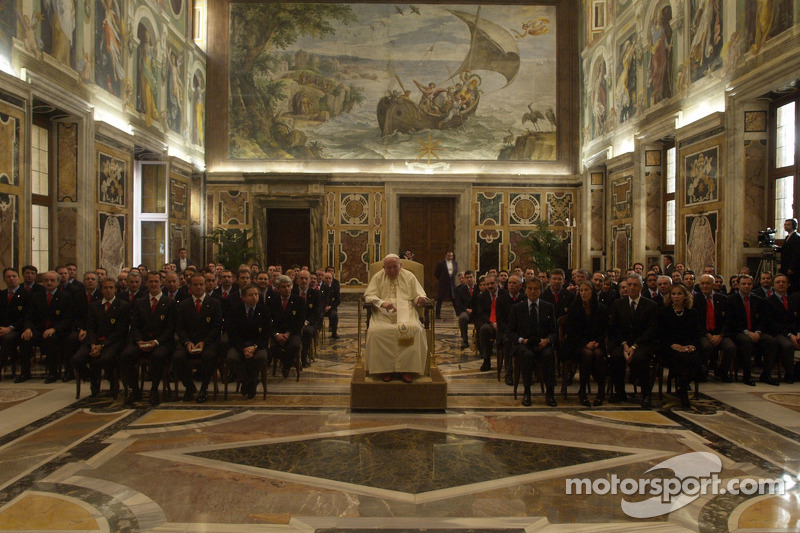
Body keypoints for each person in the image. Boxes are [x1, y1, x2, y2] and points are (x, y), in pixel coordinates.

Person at [363, 254, 428, 383]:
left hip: (406, 311)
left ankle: (406, 369)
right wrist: (382, 303)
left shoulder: (409, 276)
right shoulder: (378, 277)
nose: (392, 271)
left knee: (415, 329)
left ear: (400, 266)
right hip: (382, 313)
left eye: (394, 267)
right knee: (376, 332)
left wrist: (419, 299)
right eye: (388, 268)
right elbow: (369, 295)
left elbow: (418, 295)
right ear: (383, 267)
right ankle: (386, 369)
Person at [119, 272, 176, 406]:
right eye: (151, 281)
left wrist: (156, 342)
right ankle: (135, 389)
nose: (154, 284)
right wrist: (139, 341)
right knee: (125, 355)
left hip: (162, 342)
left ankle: (154, 390)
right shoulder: (140, 302)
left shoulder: (169, 303)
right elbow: (135, 326)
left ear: (161, 283)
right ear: (146, 283)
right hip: (142, 341)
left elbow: (170, 329)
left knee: (157, 356)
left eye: (156, 281)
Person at [71, 278, 131, 397]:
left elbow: (120, 330)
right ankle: (90, 377)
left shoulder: (123, 306)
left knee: (106, 358)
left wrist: (102, 346)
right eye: (105, 288)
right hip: (94, 341)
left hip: (113, 342)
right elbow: (91, 327)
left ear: (115, 289)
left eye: (111, 288)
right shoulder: (94, 306)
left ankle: (112, 381)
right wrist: (93, 344)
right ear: (101, 290)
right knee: (77, 359)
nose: (108, 290)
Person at [608, 273, 659, 408]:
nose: (631, 288)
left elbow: (651, 330)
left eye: (634, 285)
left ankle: (646, 394)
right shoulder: (618, 304)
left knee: (641, 358)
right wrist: (625, 345)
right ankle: (620, 392)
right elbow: (615, 327)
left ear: (641, 287)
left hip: (642, 343)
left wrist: (635, 346)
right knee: (616, 357)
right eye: (629, 285)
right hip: (622, 342)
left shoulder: (650, 305)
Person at [173, 272, 224, 403]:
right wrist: (187, 342)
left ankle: (204, 388)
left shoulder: (214, 303)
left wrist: (204, 342)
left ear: (206, 285)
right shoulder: (184, 305)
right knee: (177, 357)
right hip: (188, 342)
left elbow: (216, 327)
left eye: (201, 284)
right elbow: (180, 327)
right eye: (195, 285)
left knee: (209, 356)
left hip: (207, 342)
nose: (199, 287)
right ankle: (189, 387)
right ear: (190, 286)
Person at [507, 278, 558, 407]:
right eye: (530, 288)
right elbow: (510, 332)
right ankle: (527, 392)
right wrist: (521, 340)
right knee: (527, 355)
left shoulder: (548, 307)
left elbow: (554, 332)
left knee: (548, 355)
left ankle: (550, 392)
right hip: (524, 344)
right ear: (525, 290)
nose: (533, 291)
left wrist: (547, 340)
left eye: (536, 289)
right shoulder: (517, 308)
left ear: (540, 291)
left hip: (543, 343)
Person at [722, 274, 776, 386]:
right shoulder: (730, 300)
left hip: (755, 331)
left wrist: (758, 331)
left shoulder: (758, 300)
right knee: (746, 341)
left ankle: (766, 375)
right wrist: (747, 332)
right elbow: (730, 321)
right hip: (738, 332)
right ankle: (747, 375)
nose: (746, 286)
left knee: (771, 341)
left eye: (749, 284)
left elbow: (763, 319)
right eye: (744, 284)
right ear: (738, 285)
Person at [19, 271, 72, 383]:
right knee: (25, 339)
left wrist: (54, 329)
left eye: (52, 280)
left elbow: (67, 319)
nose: (49, 283)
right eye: (46, 280)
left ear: (58, 282)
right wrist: (28, 328)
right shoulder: (36, 297)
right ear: (42, 282)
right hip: (39, 329)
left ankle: (53, 373)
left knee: (51, 339)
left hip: (57, 331)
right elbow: (29, 316)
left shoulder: (65, 297)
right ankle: (25, 372)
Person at [565, 280, 608, 406]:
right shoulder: (574, 308)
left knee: (598, 354)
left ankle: (601, 391)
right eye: (581, 290)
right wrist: (585, 343)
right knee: (588, 354)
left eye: (586, 290)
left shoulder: (601, 309)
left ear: (592, 292)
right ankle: (582, 390)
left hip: (597, 343)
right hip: (577, 344)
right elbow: (571, 332)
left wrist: (596, 343)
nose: (583, 293)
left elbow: (604, 330)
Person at [659, 283, 701, 408]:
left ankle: (682, 386)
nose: (676, 297)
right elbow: (661, 334)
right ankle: (683, 391)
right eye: (673, 294)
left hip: (687, 346)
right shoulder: (664, 312)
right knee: (682, 359)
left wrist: (692, 346)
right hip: (669, 348)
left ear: (685, 296)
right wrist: (673, 345)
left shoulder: (692, 313)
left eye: (679, 294)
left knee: (695, 359)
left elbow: (696, 333)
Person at [226, 284, 270, 398]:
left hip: (257, 345)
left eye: (256, 294)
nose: (254, 297)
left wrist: (254, 347)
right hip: (240, 345)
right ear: (243, 297)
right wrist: (243, 349)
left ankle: (247, 382)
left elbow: (265, 334)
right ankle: (250, 381)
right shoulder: (235, 311)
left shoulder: (264, 311)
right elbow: (233, 334)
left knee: (261, 357)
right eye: (251, 295)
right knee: (231, 358)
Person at [694, 274, 735, 381]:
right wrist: (707, 335)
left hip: (720, 333)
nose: (705, 286)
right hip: (703, 333)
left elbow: (728, 319)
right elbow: (695, 321)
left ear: (713, 285)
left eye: (708, 283)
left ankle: (722, 372)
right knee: (706, 347)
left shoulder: (722, 299)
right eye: (702, 283)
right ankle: (702, 371)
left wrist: (721, 335)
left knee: (730, 347)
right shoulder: (694, 299)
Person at [267, 275, 305, 378]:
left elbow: (299, 321)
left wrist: (288, 334)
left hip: (292, 332)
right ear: (278, 288)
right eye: (283, 287)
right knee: (273, 348)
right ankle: (288, 361)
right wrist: (277, 334)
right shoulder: (272, 301)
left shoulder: (299, 301)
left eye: (288, 286)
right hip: (277, 333)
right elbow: (268, 321)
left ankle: (286, 366)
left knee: (294, 346)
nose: (287, 289)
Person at [762, 273, 796, 384]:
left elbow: (796, 319)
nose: (781, 284)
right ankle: (789, 374)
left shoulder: (792, 300)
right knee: (788, 346)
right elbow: (770, 323)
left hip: (792, 332)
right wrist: (789, 335)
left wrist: (798, 332)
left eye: (783, 282)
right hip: (776, 333)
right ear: (773, 285)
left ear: (788, 285)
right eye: (778, 282)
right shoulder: (768, 301)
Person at [0, 268, 29, 381]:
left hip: (19, 329)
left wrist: (10, 328)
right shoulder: (2, 295)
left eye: (14, 276)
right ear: (4, 279)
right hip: (3, 328)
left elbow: (27, 316)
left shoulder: (26, 295)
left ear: (18, 278)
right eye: (8, 277)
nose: (11, 279)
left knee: (7, 338)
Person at [496, 274, 524, 385]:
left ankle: (527, 372)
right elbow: (500, 321)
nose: (511, 285)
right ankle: (509, 372)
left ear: (520, 286)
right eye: (510, 283)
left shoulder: (524, 298)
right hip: (505, 331)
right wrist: (511, 332)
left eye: (514, 283)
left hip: (521, 331)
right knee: (508, 341)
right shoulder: (501, 299)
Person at [475, 274, 505, 372]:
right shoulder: (481, 296)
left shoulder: (505, 294)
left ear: (497, 283)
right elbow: (481, 313)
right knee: (484, 329)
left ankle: (508, 363)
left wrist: (499, 323)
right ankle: (486, 359)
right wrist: (492, 323)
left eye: (492, 283)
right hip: (489, 323)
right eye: (487, 284)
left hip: (503, 323)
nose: (490, 286)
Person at [293, 269, 321, 368]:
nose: (304, 281)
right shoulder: (293, 292)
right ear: (297, 280)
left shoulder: (315, 294)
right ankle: (293, 358)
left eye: (306, 278)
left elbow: (316, 312)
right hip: (295, 322)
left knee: (307, 332)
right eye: (301, 278)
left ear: (309, 280)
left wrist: (306, 322)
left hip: (309, 322)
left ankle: (304, 357)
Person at [454, 270, 478, 349]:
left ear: (474, 278)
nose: (469, 279)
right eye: (467, 278)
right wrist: (466, 309)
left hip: (477, 311)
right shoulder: (461, 290)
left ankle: (480, 340)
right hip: (466, 311)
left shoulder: (478, 288)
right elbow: (459, 304)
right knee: (462, 318)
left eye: (471, 277)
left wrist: (475, 309)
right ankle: (465, 340)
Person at [434, 251, 458, 319]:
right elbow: (436, 273)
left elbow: (455, 272)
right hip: (443, 284)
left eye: (451, 256)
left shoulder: (455, 263)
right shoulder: (441, 263)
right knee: (440, 300)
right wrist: (442, 279)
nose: (450, 257)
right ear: (445, 256)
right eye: (448, 255)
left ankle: (458, 313)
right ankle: (437, 315)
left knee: (454, 299)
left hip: (452, 284)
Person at [780, 218, 800, 293]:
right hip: (786, 265)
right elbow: (786, 250)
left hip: (792, 268)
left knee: (792, 286)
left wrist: (791, 267)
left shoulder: (797, 237)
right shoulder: (788, 237)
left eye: (788, 225)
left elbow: (796, 254)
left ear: (794, 226)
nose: (785, 226)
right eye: (785, 225)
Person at [321, 271, 340, 339]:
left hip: (331, 308)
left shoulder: (335, 288)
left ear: (332, 279)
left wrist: (330, 307)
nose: (328, 280)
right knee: (318, 316)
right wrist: (323, 307)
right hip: (321, 308)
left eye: (329, 278)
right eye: (326, 278)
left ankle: (334, 333)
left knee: (334, 315)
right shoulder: (320, 287)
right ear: (323, 279)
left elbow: (338, 301)